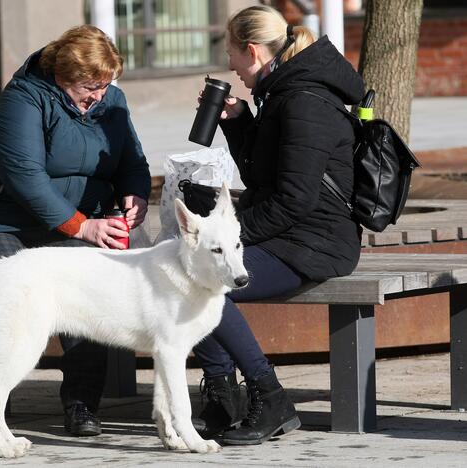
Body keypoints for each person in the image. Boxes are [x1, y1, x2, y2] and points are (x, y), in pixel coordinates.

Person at [0, 25, 151, 439]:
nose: (99, 95)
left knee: (89, 292)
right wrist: (82, 225)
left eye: (106, 85)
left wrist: (134, 194)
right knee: (8, 291)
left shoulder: (112, 101)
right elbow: (25, 178)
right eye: (90, 86)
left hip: (71, 223)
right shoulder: (21, 100)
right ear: (63, 76)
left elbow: (133, 161)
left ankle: (82, 403)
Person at [191, 6, 364, 445]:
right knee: (191, 273)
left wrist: (228, 238)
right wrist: (239, 123)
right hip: (292, 232)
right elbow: (265, 177)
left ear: (252, 50)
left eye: (232, 54)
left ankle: (269, 396)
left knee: (205, 281)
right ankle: (224, 395)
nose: (230, 66)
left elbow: (294, 200)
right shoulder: (283, 91)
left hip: (315, 240)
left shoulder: (305, 100)